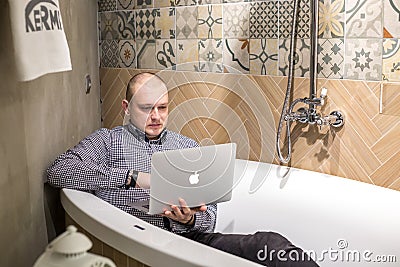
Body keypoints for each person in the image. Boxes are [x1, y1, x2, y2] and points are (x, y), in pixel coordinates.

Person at [47, 72, 318, 266]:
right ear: (127, 108)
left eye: (162, 108)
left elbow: (209, 214)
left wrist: (189, 219)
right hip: (138, 242)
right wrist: (131, 178)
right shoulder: (108, 141)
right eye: (146, 108)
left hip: (190, 239)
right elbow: (58, 171)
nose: (156, 116)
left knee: (269, 245)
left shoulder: (186, 147)